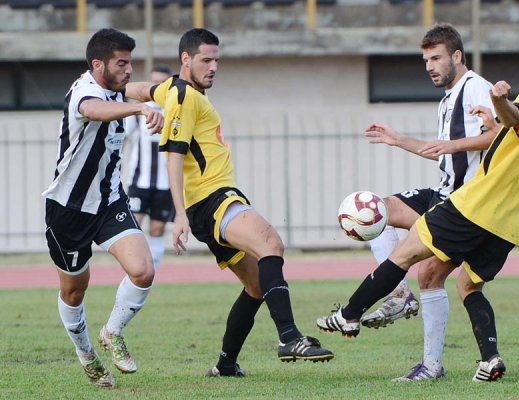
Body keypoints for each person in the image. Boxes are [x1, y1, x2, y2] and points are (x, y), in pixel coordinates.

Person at [317, 33, 519, 383]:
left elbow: (517, 116)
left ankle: (350, 313)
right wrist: (494, 122)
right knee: (468, 286)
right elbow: (518, 138)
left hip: (475, 204)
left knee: (408, 257)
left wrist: (500, 101)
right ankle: (490, 359)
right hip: (512, 222)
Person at [126, 28, 334, 377]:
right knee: (271, 242)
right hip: (213, 197)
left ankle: (225, 364)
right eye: (206, 60)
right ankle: (289, 337)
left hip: (205, 206)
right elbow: (173, 156)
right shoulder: (184, 97)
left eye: (217, 60)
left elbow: (138, 88)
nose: (214, 67)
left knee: (255, 285)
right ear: (186, 60)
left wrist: (111, 88)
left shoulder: (172, 90)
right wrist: (179, 215)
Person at [322, 23, 500, 381]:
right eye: (425, 60)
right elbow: (445, 154)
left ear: (457, 56)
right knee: (376, 210)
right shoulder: (450, 96)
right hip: (444, 192)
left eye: (436, 58)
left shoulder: (475, 88)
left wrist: (452, 147)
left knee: (430, 275)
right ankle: (400, 295)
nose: (430, 66)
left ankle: (430, 364)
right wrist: (399, 140)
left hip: (463, 204)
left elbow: (496, 136)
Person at [42, 28, 163, 389]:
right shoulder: (86, 91)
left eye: (130, 63)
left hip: (109, 201)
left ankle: (112, 332)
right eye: (121, 63)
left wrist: (173, 90)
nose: (128, 70)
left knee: (143, 270)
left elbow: (141, 88)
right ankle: (85, 353)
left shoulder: (116, 86)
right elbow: (95, 110)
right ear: (98, 65)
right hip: (69, 209)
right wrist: (141, 108)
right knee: (76, 290)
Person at [125, 65, 175, 270]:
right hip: (139, 181)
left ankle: (152, 274)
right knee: (133, 227)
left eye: (163, 82)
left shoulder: (175, 112)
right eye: (154, 82)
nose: (157, 86)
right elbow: (122, 139)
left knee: (157, 229)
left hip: (165, 183)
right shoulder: (138, 111)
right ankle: (135, 272)